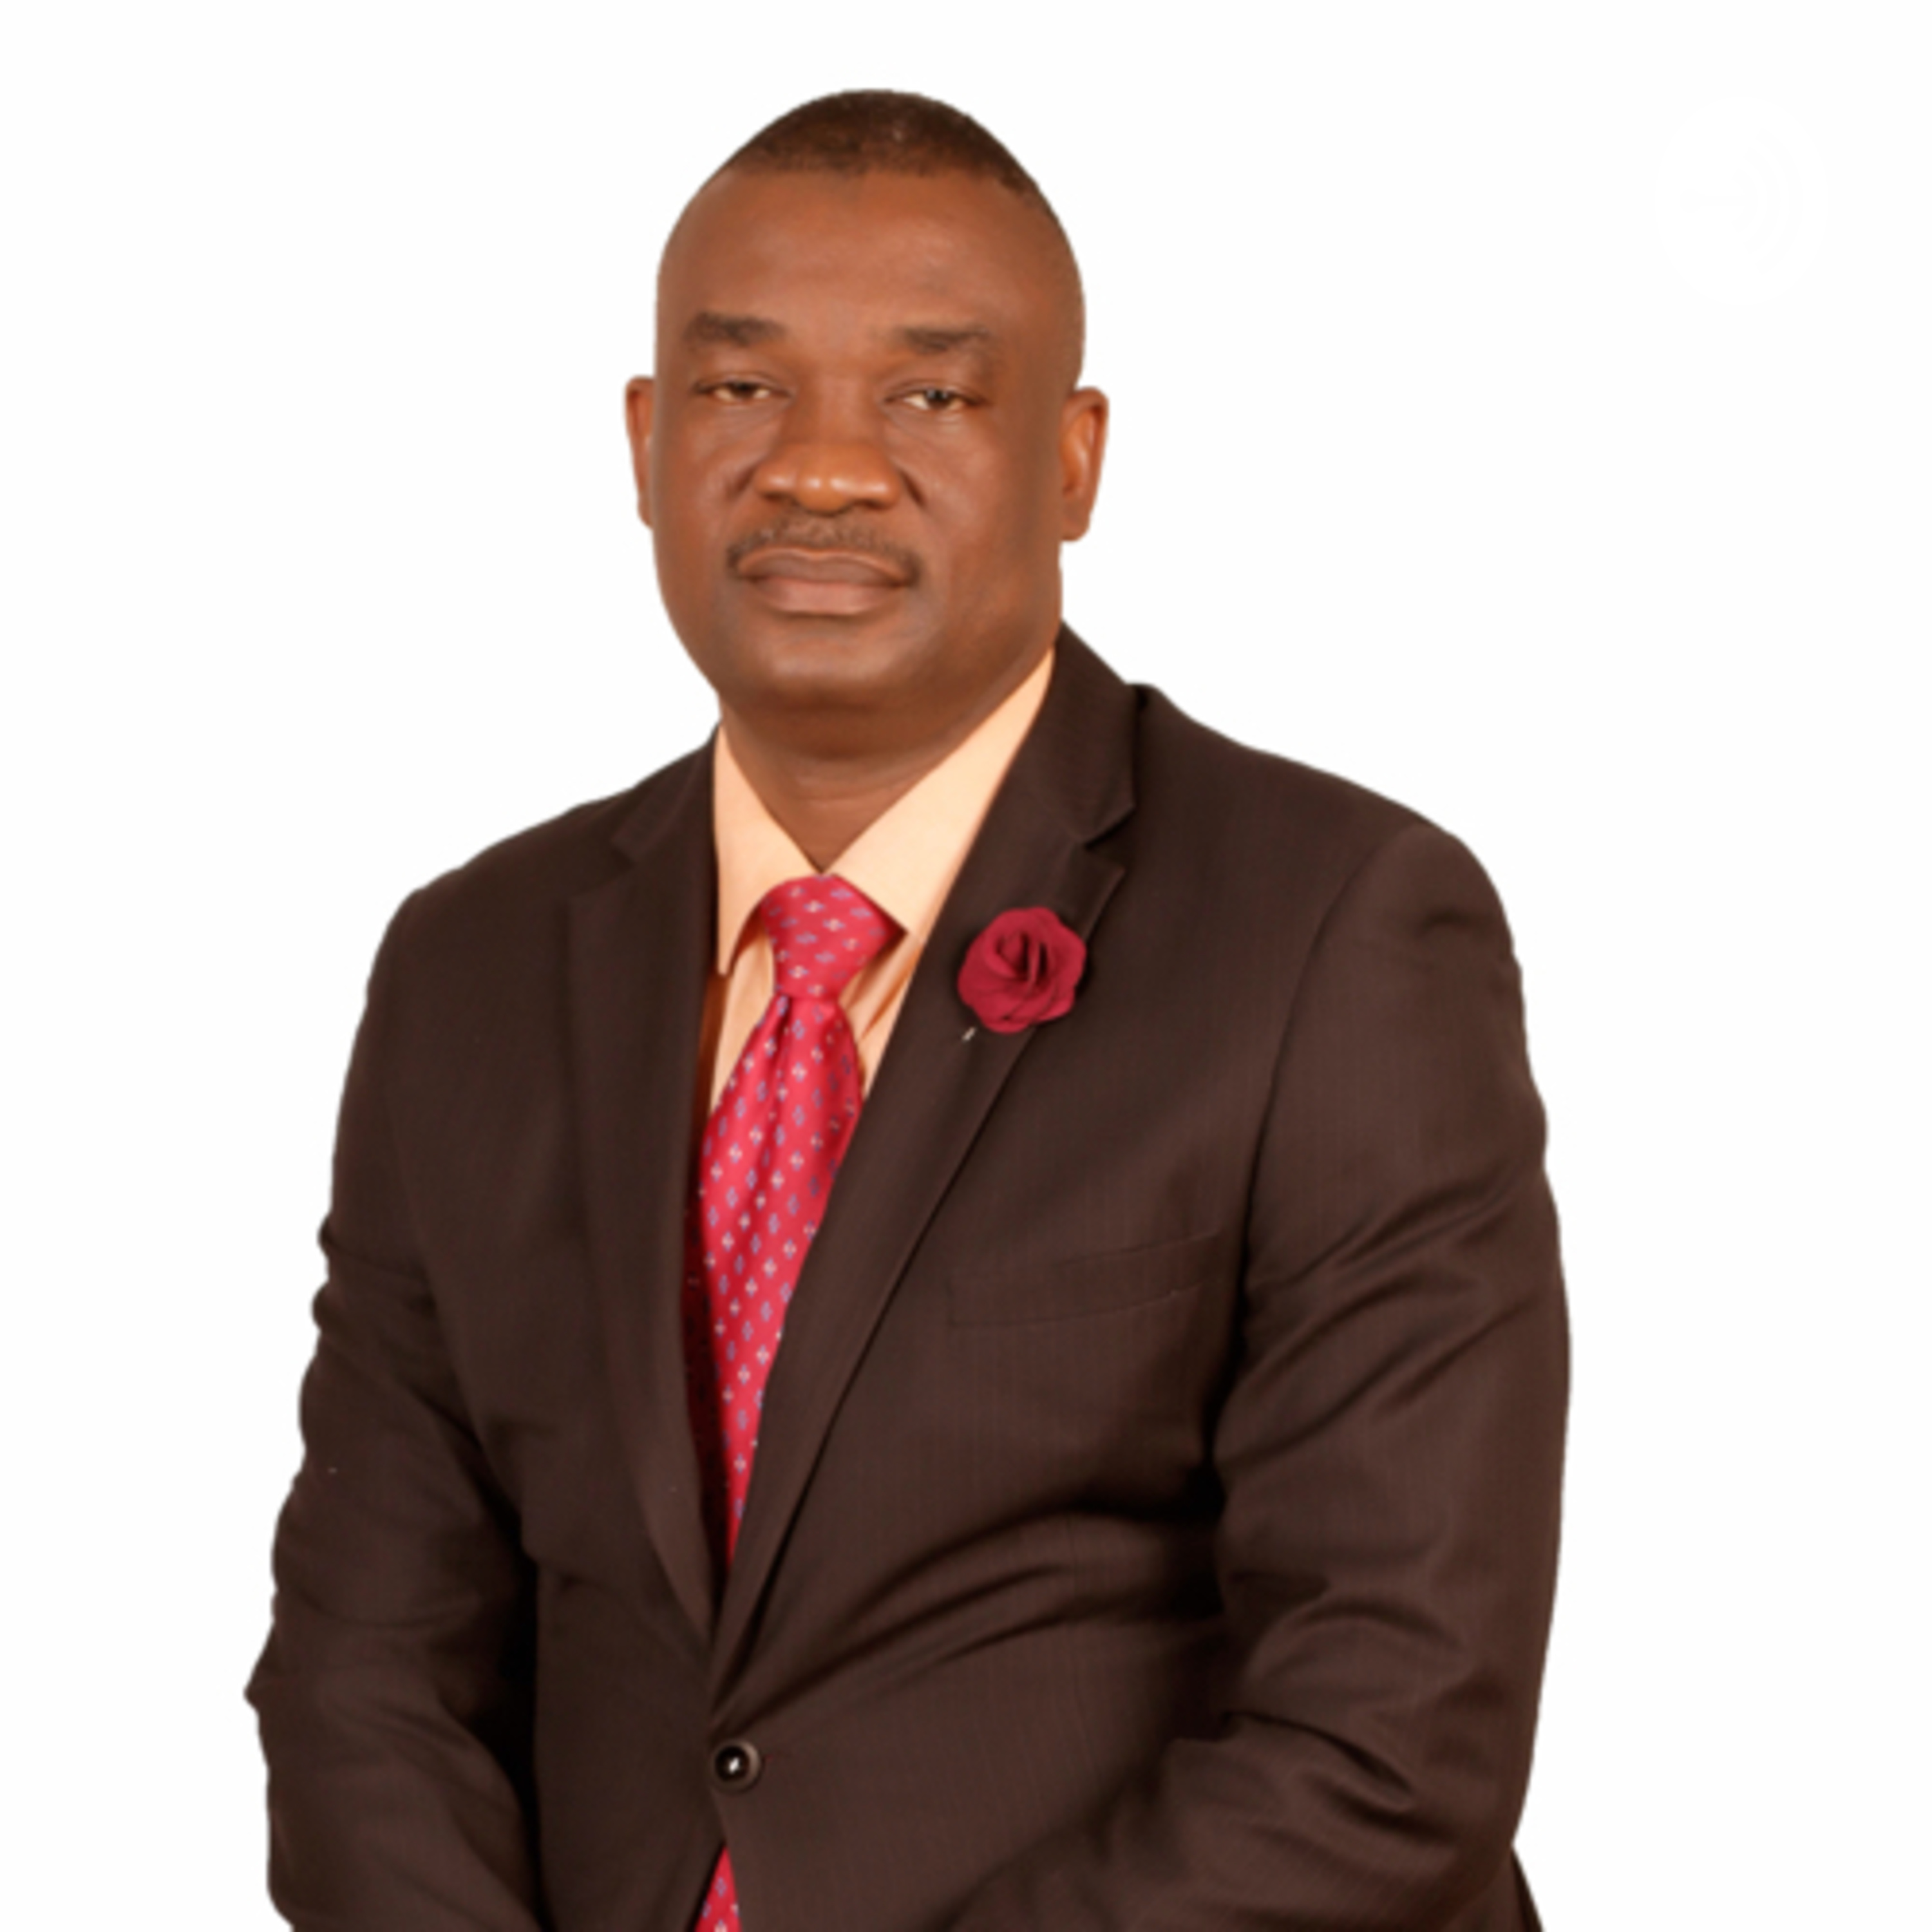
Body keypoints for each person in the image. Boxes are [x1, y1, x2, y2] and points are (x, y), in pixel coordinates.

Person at [249, 90, 1567, 1932]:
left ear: (1075, 461)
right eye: (741, 387)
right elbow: (366, 1676)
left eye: (932, 396)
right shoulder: (471, 966)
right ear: (644, 440)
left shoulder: (1335, 932)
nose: (822, 469)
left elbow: (1391, 1734)